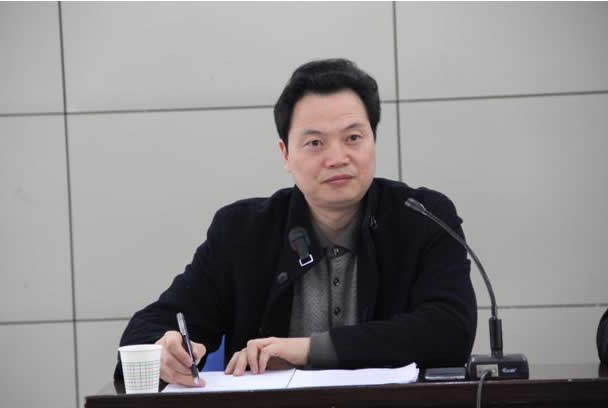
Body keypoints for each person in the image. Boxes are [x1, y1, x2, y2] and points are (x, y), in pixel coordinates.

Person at [114, 58, 477, 386]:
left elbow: (450, 331)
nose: (337, 157)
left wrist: (307, 350)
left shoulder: (422, 216)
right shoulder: (243, 232)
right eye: (315, 143)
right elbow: (147, 328)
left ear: (373, 141)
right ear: (285, 154)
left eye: (353, 138)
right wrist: (163, 350)